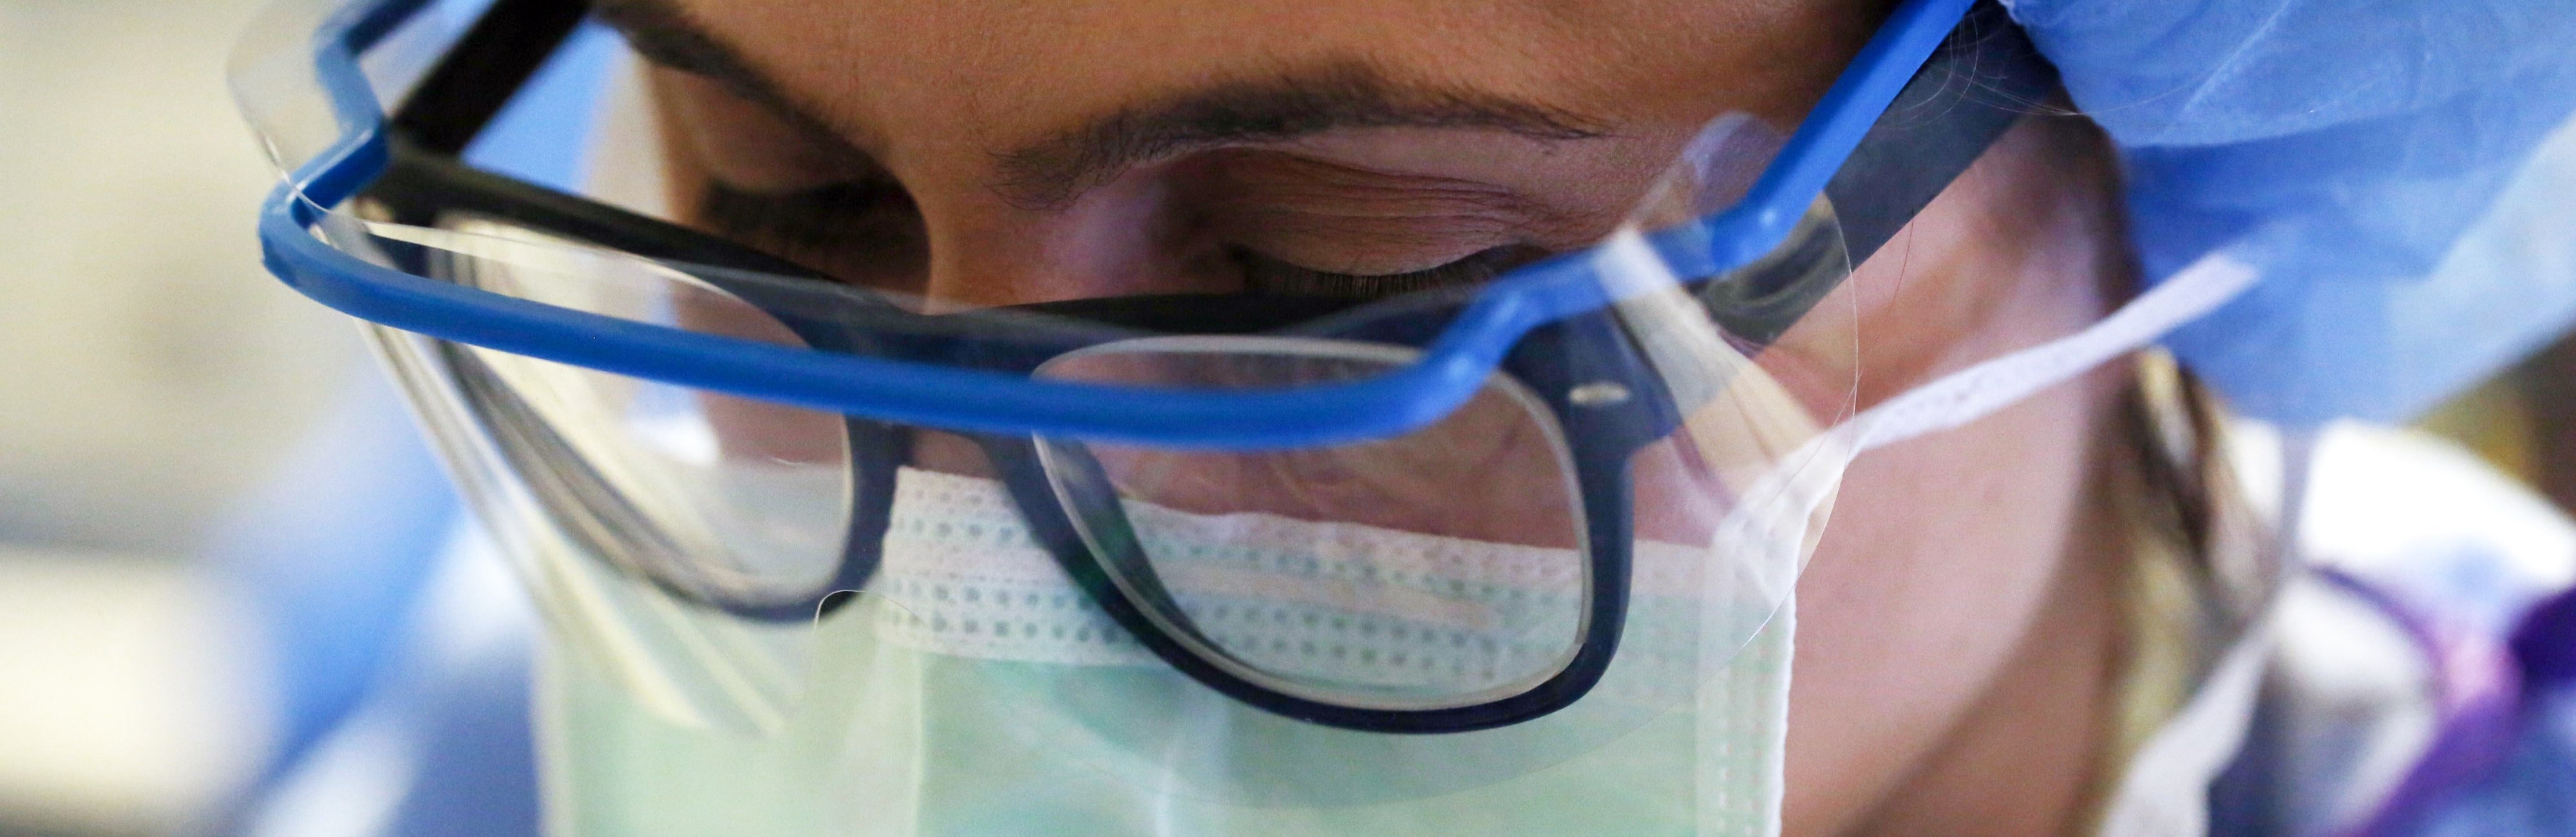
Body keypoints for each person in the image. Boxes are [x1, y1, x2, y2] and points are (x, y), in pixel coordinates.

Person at [223, 0, 2576, 833]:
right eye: (787, 195)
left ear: (2162, 185)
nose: (958, 558)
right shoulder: (513, 739)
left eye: (1335, 278)